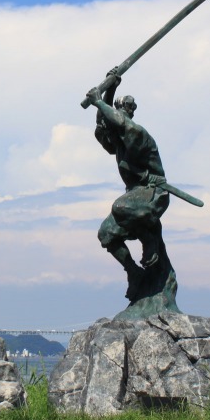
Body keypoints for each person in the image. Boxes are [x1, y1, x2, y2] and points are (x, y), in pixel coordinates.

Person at [87, 72, 170, 301]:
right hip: (134, 194)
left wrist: (99, 100)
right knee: (106, 234)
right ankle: (133, 272)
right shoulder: (119, 138)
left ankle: (150, 240)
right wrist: (110, 88)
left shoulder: (136, 133)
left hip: (153, 192)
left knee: (121, 208)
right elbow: (106, 125)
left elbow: (119, 122)